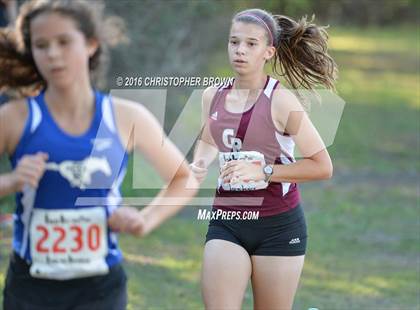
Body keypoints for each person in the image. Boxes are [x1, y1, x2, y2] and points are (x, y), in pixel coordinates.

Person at [0, 1, 197, 309]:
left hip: (99, 288)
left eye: (64, 42)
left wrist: (145, 220)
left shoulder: (126, 116)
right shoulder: (15, 118)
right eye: (41, 45)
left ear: (91, 44)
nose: (52, 54)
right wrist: (11, 182)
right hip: (30, 287)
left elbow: (183, 178)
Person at [190, 8, 338, 310]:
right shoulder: (212, 95)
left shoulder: (283, 101)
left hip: (278, 226)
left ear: (268, 51)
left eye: (251, 44)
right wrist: (199, 164)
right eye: (234, 42)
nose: (240, 50)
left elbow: (322, 166)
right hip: (228, 220)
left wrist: (264, 171)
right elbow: (209, 137)